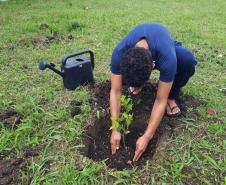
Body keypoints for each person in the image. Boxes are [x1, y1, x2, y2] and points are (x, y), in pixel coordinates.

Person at [109, 23, 197, 161]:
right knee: (128, 79)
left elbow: (160, 100)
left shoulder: (167, 58)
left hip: (164, 44)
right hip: (143, 53)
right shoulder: (119, 53)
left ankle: (172, 97)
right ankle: (137, 84)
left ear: (153, 66)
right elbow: (115, 91)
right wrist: (115, 128)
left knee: (187, 60)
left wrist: (147, 136)